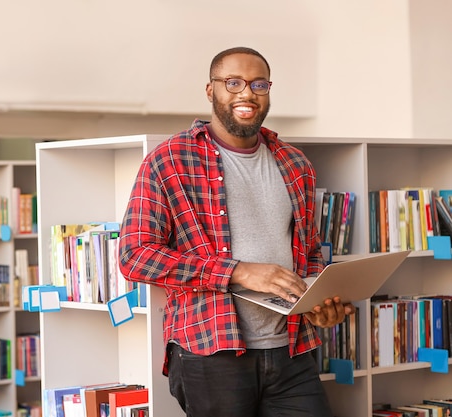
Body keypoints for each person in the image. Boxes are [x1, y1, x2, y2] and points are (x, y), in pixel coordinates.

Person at [118, 46, 355, 417]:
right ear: (211, 91)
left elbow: (307, 256)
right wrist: (237, 271)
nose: (247, 93)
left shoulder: (296, 164)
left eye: (258, 83)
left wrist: (317, 305)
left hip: (292, 349)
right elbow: (135, 257)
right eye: (233, 82)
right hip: (211, 353)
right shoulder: (169, 160)